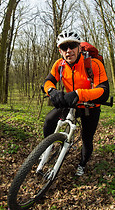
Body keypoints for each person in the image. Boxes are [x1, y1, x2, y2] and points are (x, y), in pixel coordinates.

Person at [42, 30, 109, 176]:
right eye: (64, 48)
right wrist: (52, 91)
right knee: (49, 120)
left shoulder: (93, 64)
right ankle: (49, 147)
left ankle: (83, 164)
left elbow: (104, 91)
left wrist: (79, 94)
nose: (69, 51)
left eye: (72, 46)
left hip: (90, 106)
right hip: (70, 103)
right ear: (60, 51)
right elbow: (48, 81)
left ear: (79, 47)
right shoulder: (59, 65)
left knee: (86, 138)